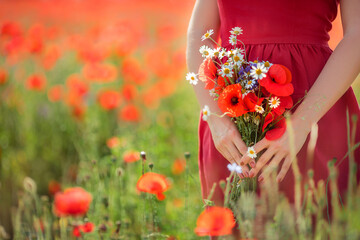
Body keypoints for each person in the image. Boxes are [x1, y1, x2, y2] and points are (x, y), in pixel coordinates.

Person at [186, 0, 360, 234]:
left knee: (317, 226)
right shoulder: (222, 121)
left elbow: (356, 34)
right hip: (230, 113)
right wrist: (216, 118)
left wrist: (302, 123)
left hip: (317, 109)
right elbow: (199, 33)